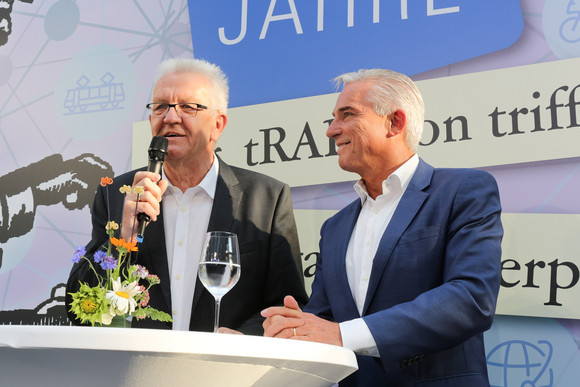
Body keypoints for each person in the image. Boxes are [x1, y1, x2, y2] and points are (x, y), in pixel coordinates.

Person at [261, 69, 503, 385]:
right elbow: (322, 321)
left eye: (347, 115)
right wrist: (283, 332)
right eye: (333, 118)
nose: (332, 130)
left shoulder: (463, 191)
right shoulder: (335, 227)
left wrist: (342, 334)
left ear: (395, 123)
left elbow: (471, 298)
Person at [66, 58, 308, 335]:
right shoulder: (118, 195)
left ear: (218, 124)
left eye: (188, 107)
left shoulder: (267, 198)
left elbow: (287, 306)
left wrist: (246, 341)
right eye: (160, 107)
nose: (170, 117)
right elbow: (79, 308)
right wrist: (122, 239)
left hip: (226, 373)